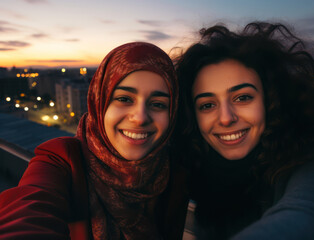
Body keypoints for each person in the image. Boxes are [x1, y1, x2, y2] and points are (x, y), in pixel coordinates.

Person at [174, 22, 314, 239]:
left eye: (243, 98)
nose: (226, 118)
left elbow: (312, 214)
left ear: (271, 100)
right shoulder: (197, 161)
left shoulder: (312, 156)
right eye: (207, 105)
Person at [0, 42, 188, 240]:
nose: (140, 117)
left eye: (158, 104)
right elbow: (29, 211)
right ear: (99, 102)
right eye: (124, 99)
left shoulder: (172, 170)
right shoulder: (61, 160)